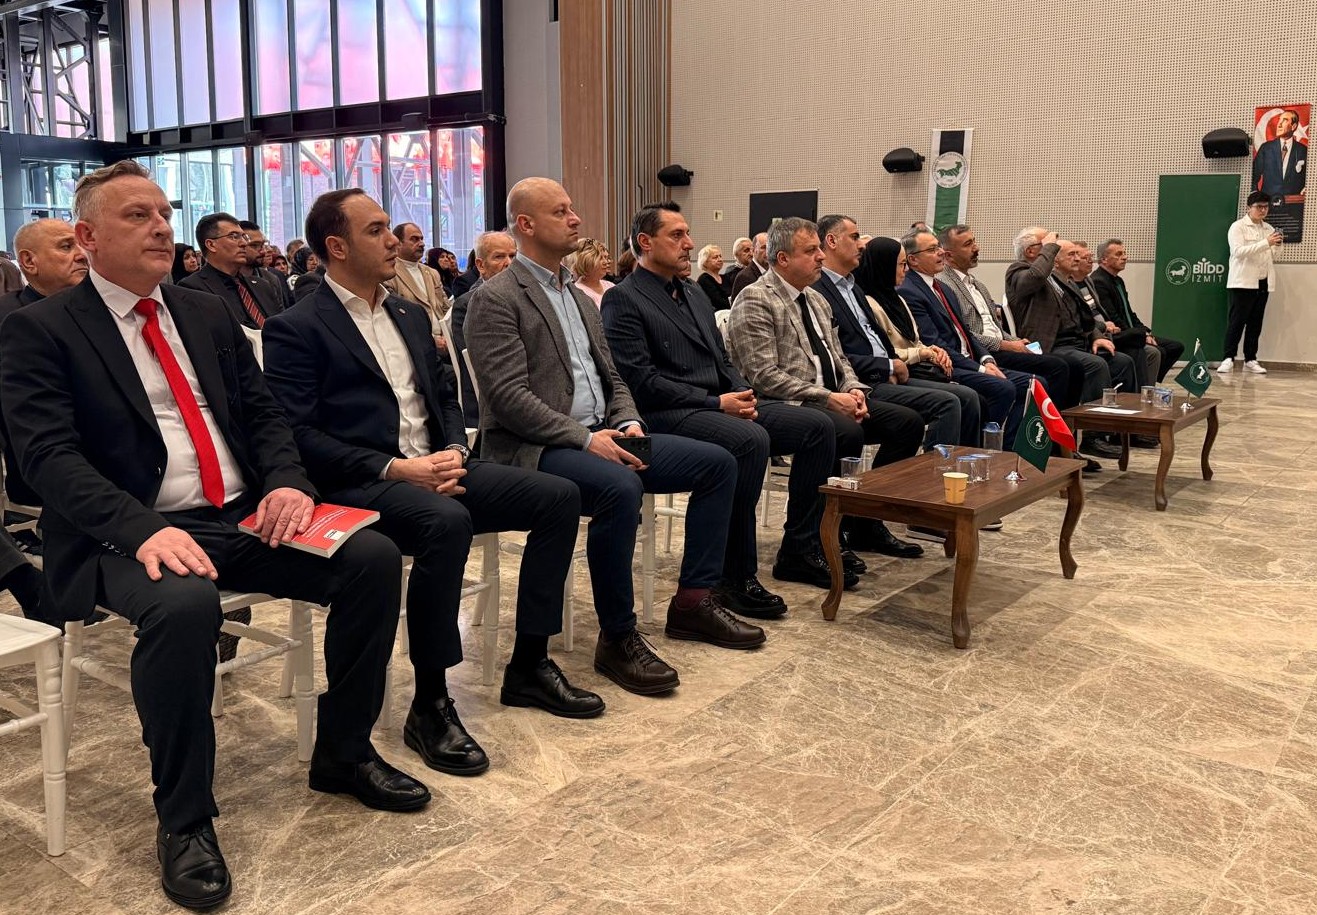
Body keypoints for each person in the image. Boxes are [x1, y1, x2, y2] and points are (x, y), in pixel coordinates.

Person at [0, 161, 427, 911]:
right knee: (185, 605)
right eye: (137, 216)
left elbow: (264, 415)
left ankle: (344, 751)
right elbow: (47, 458)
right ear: (88, 237)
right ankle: (186, 817)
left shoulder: (201, 311)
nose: (161, 227)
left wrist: (289, 482)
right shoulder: (41, 329)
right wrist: (142, 530)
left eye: (164, 214)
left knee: (372, 557)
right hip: (121, 531)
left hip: (239, 514)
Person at [263, 188, 598, 741]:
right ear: (336, 247)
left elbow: (445, 395)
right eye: (375, 231)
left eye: (388, 227)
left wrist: (455, 450)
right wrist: (395, 470)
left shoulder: (408, 314)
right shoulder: (298, 326)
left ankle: (529, 664)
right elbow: (298, 435)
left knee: (557, 495)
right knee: (446, 522)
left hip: (435, 465)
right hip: (360, 482)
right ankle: (431, 701)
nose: (392, 241)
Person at [466, 177, 764, 698]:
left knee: (719, 463)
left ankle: (694, 601)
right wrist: (585, 440)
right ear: (526, 225)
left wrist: (627, 420)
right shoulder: (497, 298)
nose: (576, 219)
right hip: (534, 446)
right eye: (561, 212)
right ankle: (618, 636)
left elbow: (615, 378)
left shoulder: (580, 297)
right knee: (618, 487)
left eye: (572, 208)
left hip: (603, 433)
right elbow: (509, 399)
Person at [602, 201, 836, 617]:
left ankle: (801, 546)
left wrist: (742, 393)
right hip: (664, 413)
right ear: (645, 242)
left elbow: (722, 359)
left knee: (817, 426)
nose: (689, 244)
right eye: (677, 235)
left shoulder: (692, 292)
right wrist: (716, 402)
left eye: (688, 233)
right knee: (749, 440)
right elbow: (641, 382)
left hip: (716, 404)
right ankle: (733, 574)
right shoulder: (624, 298)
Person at [727, 216, 927, 587]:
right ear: (783, 259)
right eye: (811, 250)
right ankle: (802, 545)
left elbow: (840, 359)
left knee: (907, 423)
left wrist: (854, 389)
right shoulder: (755, 298)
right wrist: (829, 397)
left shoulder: (817, 299)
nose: (821, 256)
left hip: (830, 398)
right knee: (839, 430)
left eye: (820, 248)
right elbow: (762, 376)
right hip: (780, 403)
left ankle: (862, 522)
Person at [1005, 228, 1132, 458]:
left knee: (1121, 361)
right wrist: (1050, 250)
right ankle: (1091, 437)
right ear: (1033, 251)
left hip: (1077, 342)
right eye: (1049, 245)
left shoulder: (1061, 279)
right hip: (1049, 344)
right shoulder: (1019, 271)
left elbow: (1084, 316)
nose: (1077, 258)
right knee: (1094, 365)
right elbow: (1032, 280)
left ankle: (1115, 430)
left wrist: (1097, 336)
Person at [898, 230, 1029, 447]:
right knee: (1002, 388)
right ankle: (978, 448)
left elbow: (966, 331)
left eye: (939, 247)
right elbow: (934, 342)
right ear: (913, 260)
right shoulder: (910, 291)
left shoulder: (943, 287)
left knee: (1030, 383)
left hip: (969, 360)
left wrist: (986, 359)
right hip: (945, 365)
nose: (940, 252)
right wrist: (980, 369)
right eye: (932, 250)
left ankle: (1006, 447)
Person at [851, 236, 983, 449]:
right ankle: (939, 464)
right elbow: (886, 351)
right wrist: (922, 353)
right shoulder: (869, 303)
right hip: (897, 372)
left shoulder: (898, 298)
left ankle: (964, 459)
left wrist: (933, 350)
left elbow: (915, 340)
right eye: (901, 265)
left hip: (915, 368)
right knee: (955, 400)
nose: (905, 271)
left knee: (971, 398)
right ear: (885, 267)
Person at [935, 224, 1077, 408]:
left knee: (1073, 366)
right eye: (968, 244)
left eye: (974, 241)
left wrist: (1016, 341)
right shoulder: (944, 285)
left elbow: (996, 327)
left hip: (1002, 346)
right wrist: (1007, 345)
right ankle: (1047, 423)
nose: (976, 248)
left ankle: (1064, 422)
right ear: (948, 255)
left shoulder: (977, 284)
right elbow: (964, 334)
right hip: (983, 351)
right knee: (1056, 368)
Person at [1089, 239, 1184, 384]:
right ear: (1104, 259)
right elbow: (1113, 318)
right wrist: (1139, 335)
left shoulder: (1118, 281)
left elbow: (1129, 313)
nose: (1125, 257)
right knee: (1157, 351)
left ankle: (1148, 382)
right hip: (1119, 333)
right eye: (1119, 254)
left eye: (1124, 253)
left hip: (1132, 331)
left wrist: (1145, 332)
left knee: (1175, 347)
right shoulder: (1098, 281)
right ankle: (1144, 387)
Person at [450, 230, 518, 428]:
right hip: (491, 397)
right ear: (480, 265)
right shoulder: (467, 304)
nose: (509, 263)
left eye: (512, 256)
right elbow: (478, 363)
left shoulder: (526, 297)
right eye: (499, 257)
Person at [179, 213, 285, 329]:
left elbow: (282, 326)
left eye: (244, 237)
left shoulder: (262, 285)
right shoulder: (192, 289)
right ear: (211, 245)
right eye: (234, 236)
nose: (244, 243)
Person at [1220, 191, 1281, 374]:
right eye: (1259, 207)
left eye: (1266, 207)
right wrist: (1265, 243)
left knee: (1256, 323)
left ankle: (1251, 359)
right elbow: (1238, 252)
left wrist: (1277, 246)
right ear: (1249, 208)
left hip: (1263, 282)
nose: (1263, 210)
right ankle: (1228, 358)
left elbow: (1273, 255)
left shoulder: (1269, 228)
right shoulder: (1238, 227)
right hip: (1243, 282)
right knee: (1237, 322)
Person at [385, 222, 449, 347]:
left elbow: (446, 308)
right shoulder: (390, 274)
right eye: (414, 239)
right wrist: (432, 340)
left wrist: (448, 335)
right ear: (398, 243)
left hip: (445, 339)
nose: (421, 244)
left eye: (421, 239)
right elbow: (397, 318)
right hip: (416, 344)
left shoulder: (432, 273)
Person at [1252, 109, 1307, 197]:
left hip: (1294, 203)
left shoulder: (1303, 150)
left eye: (1284, 120)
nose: (1279, 124)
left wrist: (1307, 190)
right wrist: (1256, 196)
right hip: (1268, 202)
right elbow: (1253, 175)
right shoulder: (1266, 148)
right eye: (1279, 120)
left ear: (1293, 126)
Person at [571, 237, 615, 308]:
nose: (606, 262)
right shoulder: (577, 292)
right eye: (600, 258)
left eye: (606, 258)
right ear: (586, 262)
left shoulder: (610, 286)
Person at [729, 231, 769, 302]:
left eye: (770, 247)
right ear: (753, 250)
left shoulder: (774, 272)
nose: (768, 251)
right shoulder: (744, 277)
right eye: (763, 247)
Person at [694, 243, 732, 313]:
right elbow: (718, 302)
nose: (720, 259)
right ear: (705, 261)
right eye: (715, 257)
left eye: (720, 256)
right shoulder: (704, 279)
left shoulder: (726, 277)